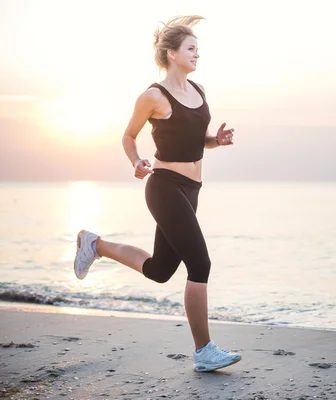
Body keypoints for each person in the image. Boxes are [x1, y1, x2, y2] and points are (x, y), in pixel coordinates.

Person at [73, 15, 241, 372]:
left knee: (160, 270)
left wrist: (216, 141)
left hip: (192, 189)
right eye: (191, 49)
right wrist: (136, 161)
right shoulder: (153, 96)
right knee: (200, 264)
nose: (198, 55)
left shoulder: (198, 91)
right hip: (163, 186)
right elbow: (128, 136)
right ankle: (204, 351)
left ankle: (94, 244)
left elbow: (196, 141)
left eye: (198, 49)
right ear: (171, 54)